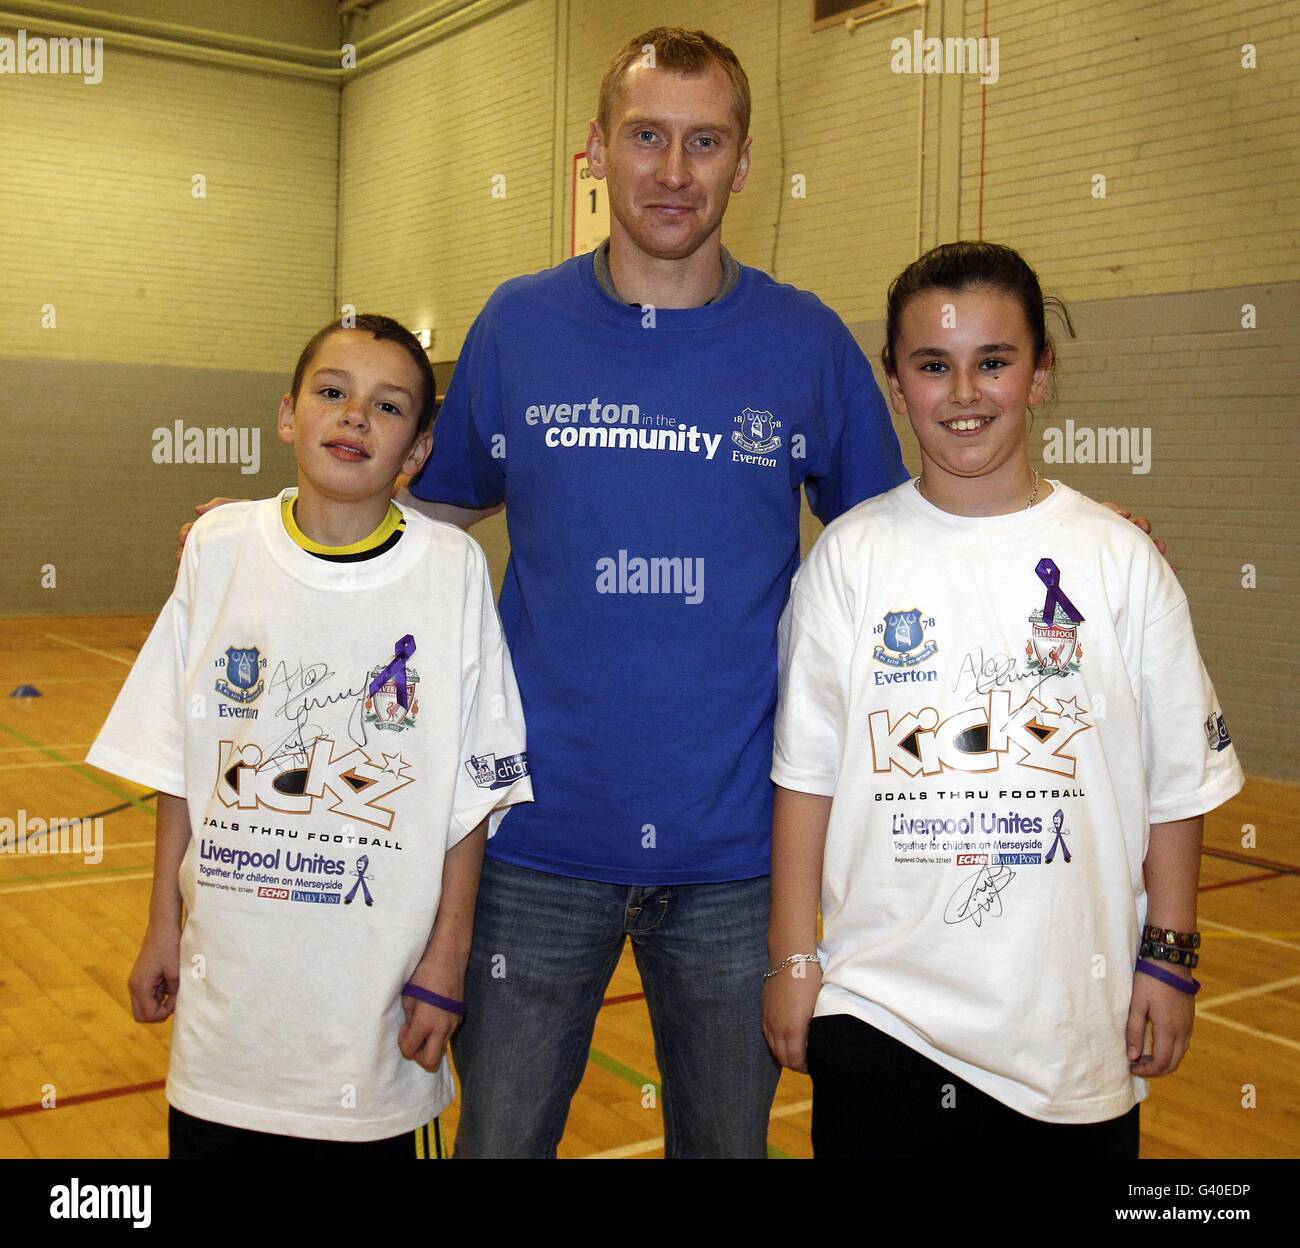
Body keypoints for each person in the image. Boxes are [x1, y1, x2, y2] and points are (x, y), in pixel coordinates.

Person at [180, 29, 1166, 1159]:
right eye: (645, 136)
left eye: (704, 142)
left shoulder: (802, 341)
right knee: (500, 1145)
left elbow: (923, 537)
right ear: (597, 150)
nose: (671, 170)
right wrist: (259, 539)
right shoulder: (517, 325)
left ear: (743, 162)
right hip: (535, 841)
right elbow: (418, 514)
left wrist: (1074, 537)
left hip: (738, 855)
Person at [762, 241, 1243, 1157]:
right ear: (896, 386)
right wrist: (795, 961)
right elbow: (807, 779)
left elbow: (1179, 780)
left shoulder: (1120, 561)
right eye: (933, 367)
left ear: (1042, 374)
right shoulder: (849, 561)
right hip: (880, 1014)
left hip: (1070, 1029)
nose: (966, 393)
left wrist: (1171, 959)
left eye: (995, 361)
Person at [89, 315, 532, 1158]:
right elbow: (178, 765)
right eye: (333, 393)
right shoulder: (218, 549)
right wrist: (161, 928)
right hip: (227, 1035)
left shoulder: (450, 572)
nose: (355, 416)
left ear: (418, 451)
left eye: (387, 405)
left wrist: (448, 961)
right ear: (289, 415)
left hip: (372, 1036)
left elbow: (474, 792)